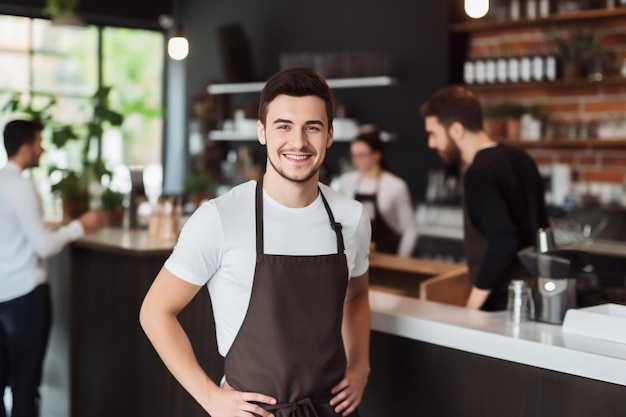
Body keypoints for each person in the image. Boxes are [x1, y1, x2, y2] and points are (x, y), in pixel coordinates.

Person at [140, 68, 371, 417]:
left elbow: (357, 295)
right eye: (283, 126)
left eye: (313, 127)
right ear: (262, 132)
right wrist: (209, 397)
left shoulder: (350, 218)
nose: (298, 142)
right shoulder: (220, 218)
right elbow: (155, 311)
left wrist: (361, 365)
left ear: (330, 135)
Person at [0, 119, 104, 417]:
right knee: (25, 389)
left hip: (3, 293)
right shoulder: (20, 185)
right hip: (25, 297)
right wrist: (79, 226)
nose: (42, 148)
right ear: (26, 147)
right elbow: (44, 245)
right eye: (38, 142)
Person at [420, 86, 548, 311]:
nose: (431, 144)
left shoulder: (478, 173)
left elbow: (504, 240)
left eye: (433, 134)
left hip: (501, 302)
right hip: (535, 295)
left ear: (457, 130)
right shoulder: (521, 158)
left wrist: (472, 305)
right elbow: (543, 230)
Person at [336, 127, 418, 256]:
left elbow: (410, 229)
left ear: (377, 155)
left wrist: (401, 259)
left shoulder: (396, 185)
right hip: (356, 256)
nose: (356, 160)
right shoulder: (347, 181)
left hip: (388, 256)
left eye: (362, 155)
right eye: (353, 155)